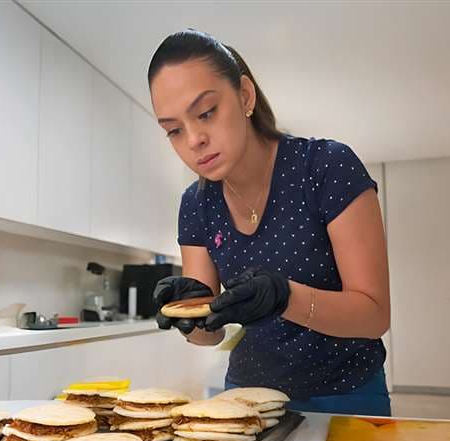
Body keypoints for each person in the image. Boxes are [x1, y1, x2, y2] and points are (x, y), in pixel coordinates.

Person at [149, 29, 391, 416]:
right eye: (174, 130)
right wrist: (188, 313)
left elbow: (374, 315)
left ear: (245, 95)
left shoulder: (326, 167)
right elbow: (208, 336)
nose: (193, 139)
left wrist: (285, 298)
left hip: (347, 394)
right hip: (247, 399)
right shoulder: (196, 203)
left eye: (207, 112)